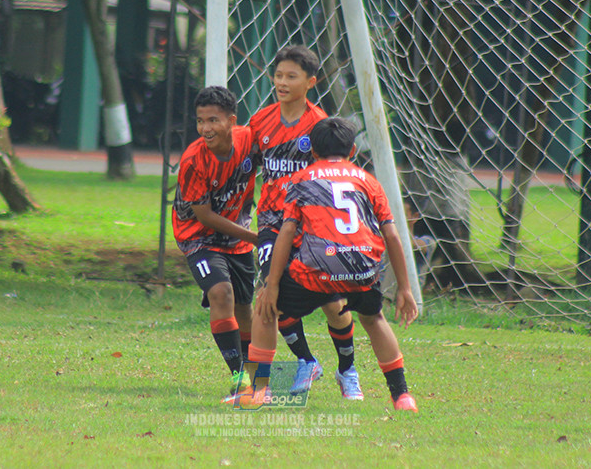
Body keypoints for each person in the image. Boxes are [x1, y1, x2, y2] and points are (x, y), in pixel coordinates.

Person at [247, 117, 419, 411]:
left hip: (315, 272)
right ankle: (402, 395)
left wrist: (271, 284)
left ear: (312, 152)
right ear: (352, 150)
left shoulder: (301, 180)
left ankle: (259, 390)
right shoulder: (368, 181)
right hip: (362, 270)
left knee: (266, 308)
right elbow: (391, 234)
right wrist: (404, 287)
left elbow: (286, 232)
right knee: (374, 319)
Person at [248, 45, 363, 400]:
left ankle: (347, 369)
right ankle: (302, 363)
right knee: (272, 293)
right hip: (272, 221)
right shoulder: (260, 121)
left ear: (310, 82)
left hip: (311, 224)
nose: (282, 82)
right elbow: (249, 167)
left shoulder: (319, 125)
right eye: (278, 75)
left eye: (291, 76)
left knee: (332, 301)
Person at [172, 86, 259, 403]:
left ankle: (255, 377)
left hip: (238, 236)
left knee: (245, 307)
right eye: (200, 121)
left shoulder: (250, 141)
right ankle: (239, 380)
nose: (205, 128)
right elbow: (204, 215)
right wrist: (257, 238)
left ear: (231, 121)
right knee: (221, 293)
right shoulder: (193, 160)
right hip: (198, 236)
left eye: (213, 120)